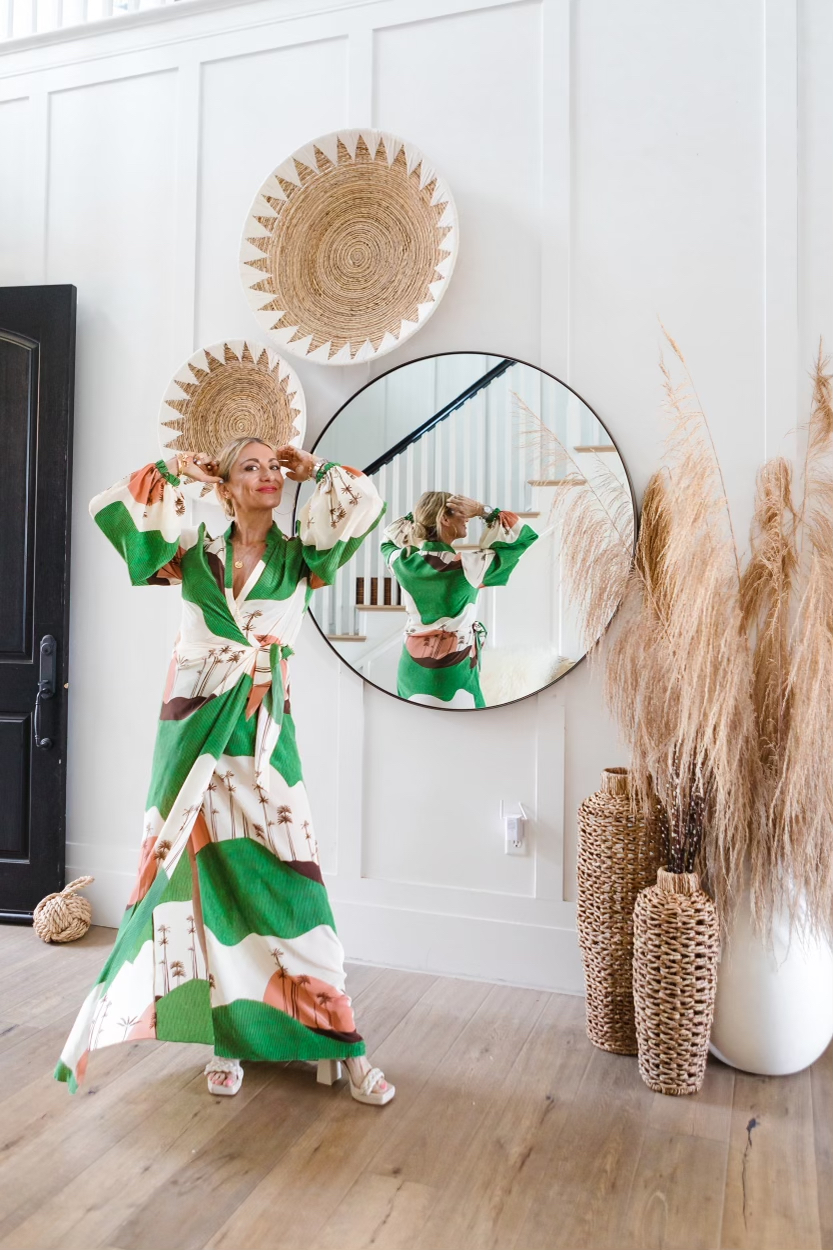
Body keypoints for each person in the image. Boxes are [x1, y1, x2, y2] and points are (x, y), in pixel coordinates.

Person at [54, 438, 394, 1106]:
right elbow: (111, 509)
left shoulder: (303, 557)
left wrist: (315, 469)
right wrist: (169, 467)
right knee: (199, 877)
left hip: (263, 732)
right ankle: (226, 1039)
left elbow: (366, 503)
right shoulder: (191, 556)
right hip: (188, 730)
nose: (268, 475)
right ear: (224, 486)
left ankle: (344, 1041)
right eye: (252, 467)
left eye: (275, 466)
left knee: (297, 888)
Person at [381, 491, 538, 709]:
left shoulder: (402, 561)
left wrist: (420, 514)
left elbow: (388, 538)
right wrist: (483, 511)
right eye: (462, 513)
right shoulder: (468, 566)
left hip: (410, 669)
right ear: (444, 519)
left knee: (418, 731)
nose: (467, 518)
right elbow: (523, 537)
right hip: (452, 669)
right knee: (468, 733)